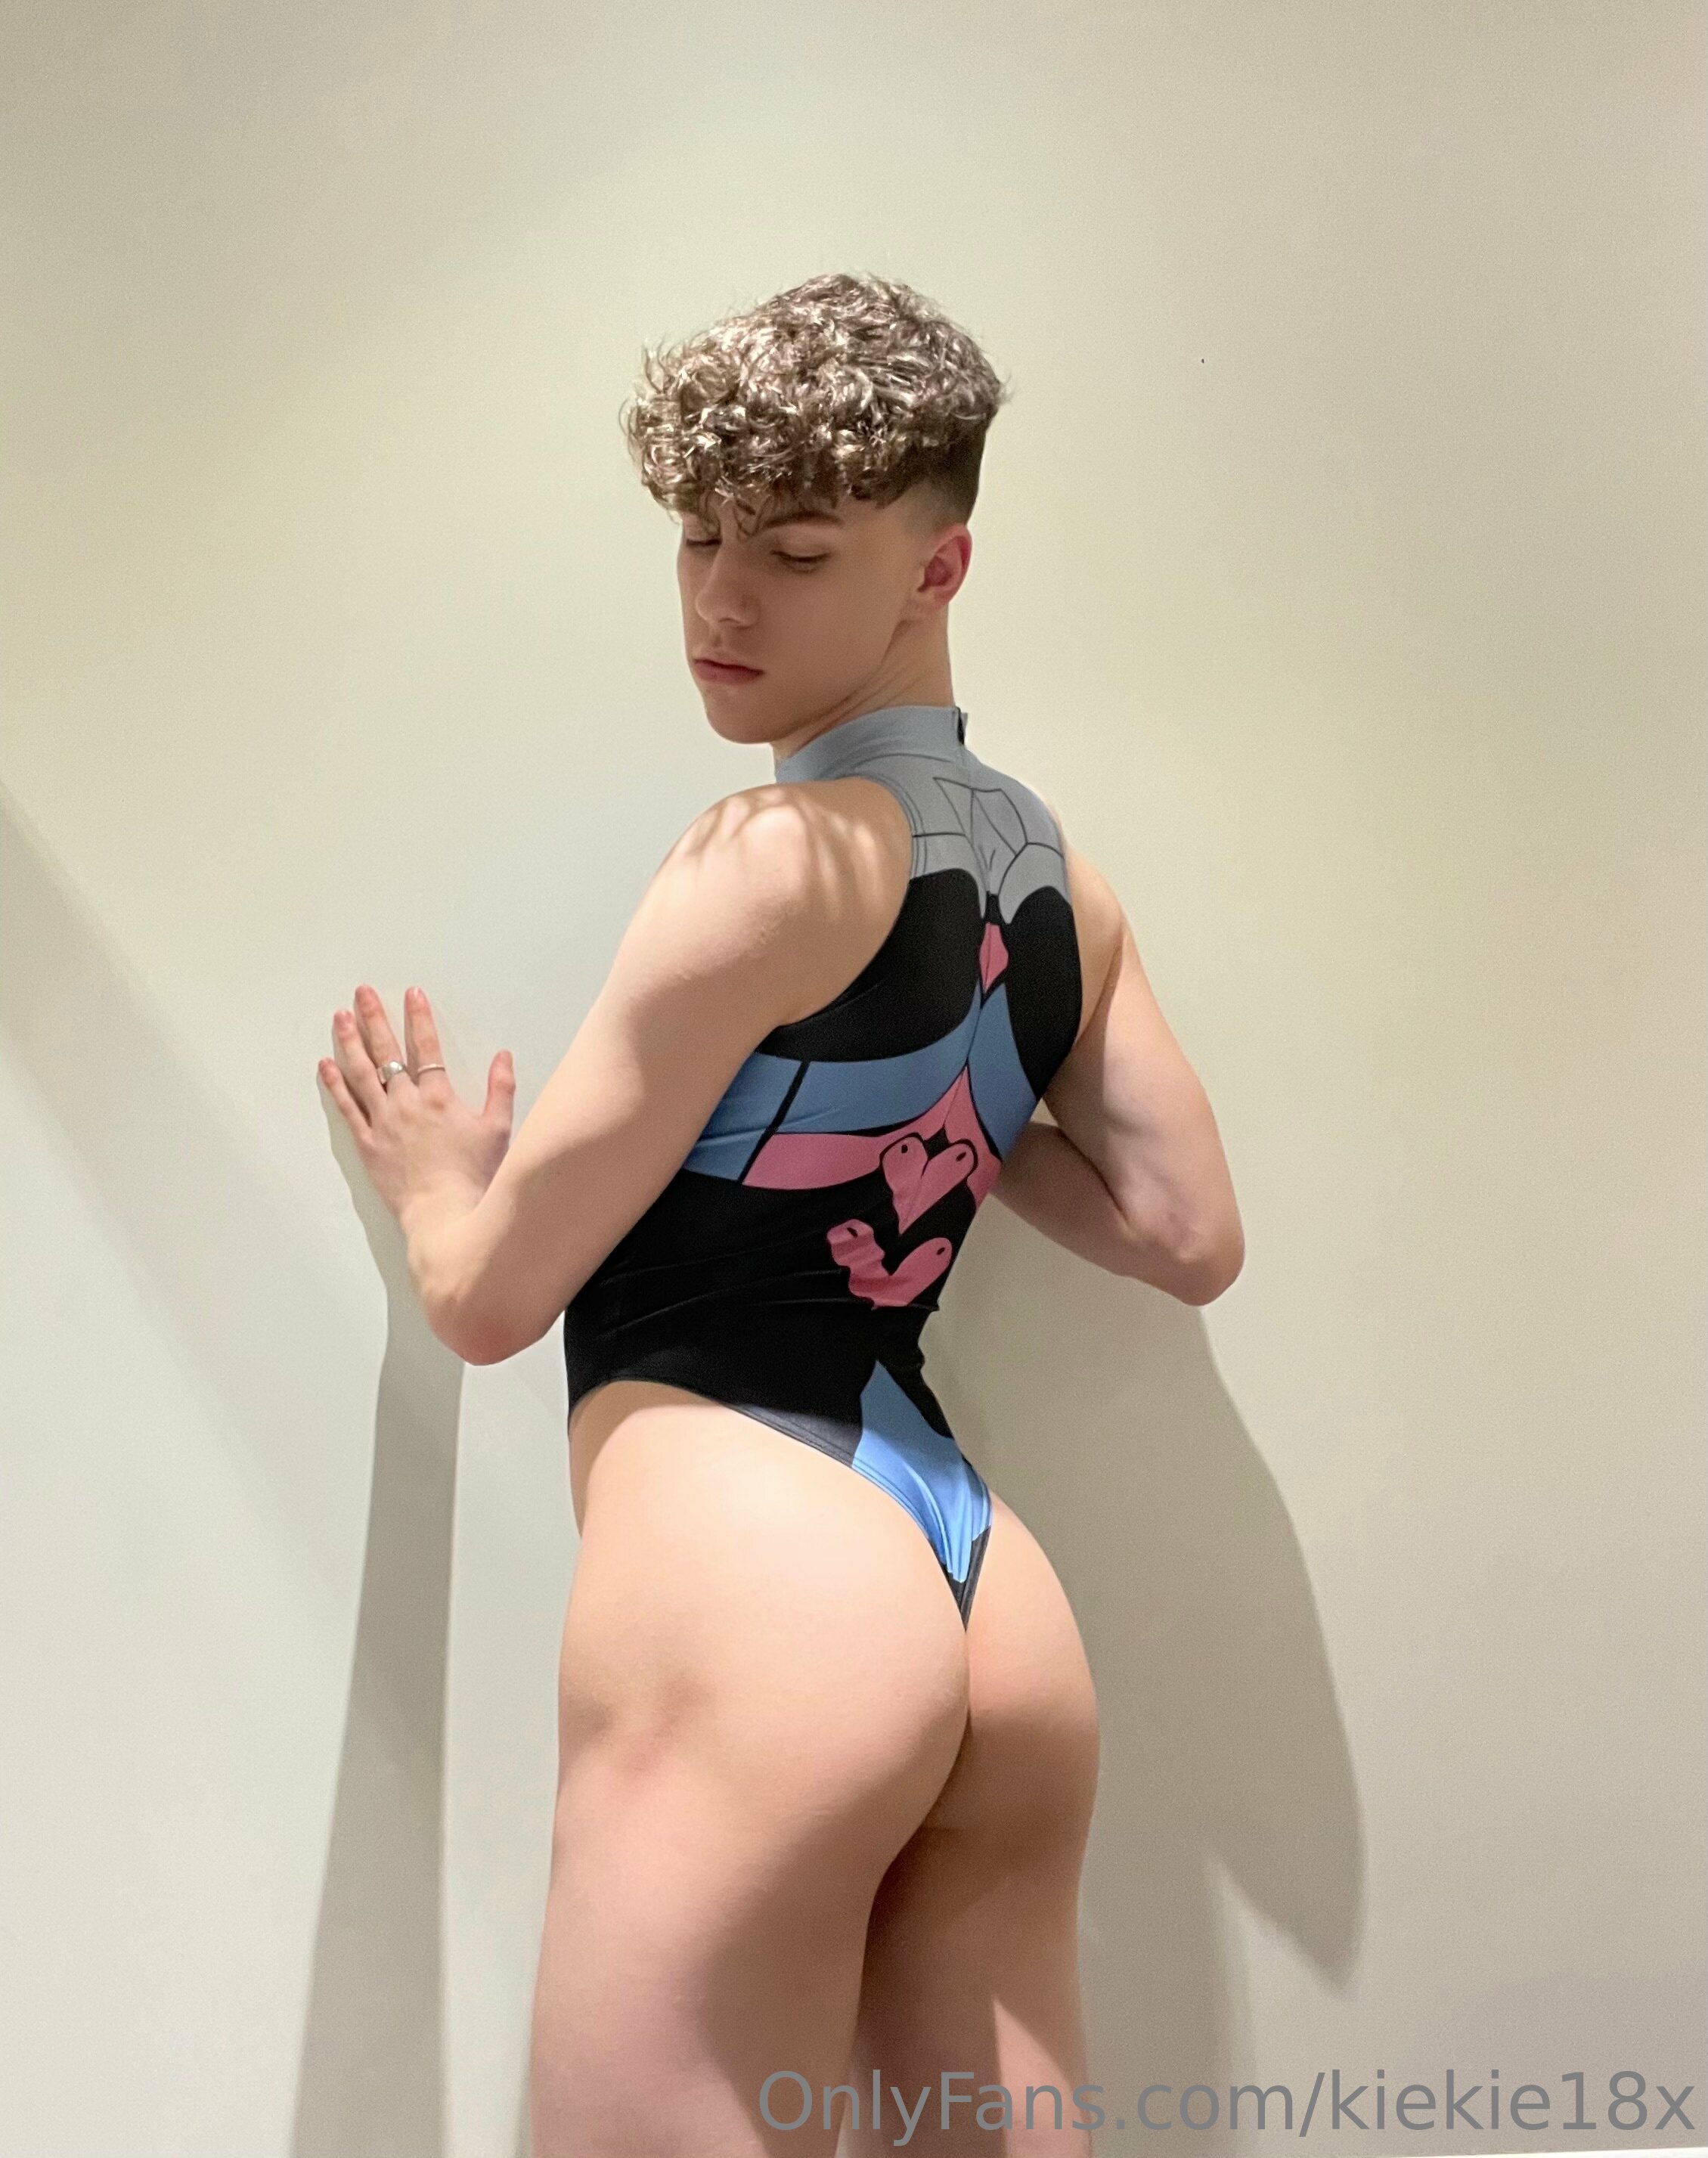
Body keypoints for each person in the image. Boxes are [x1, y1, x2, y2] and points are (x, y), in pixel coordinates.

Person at [320, 271, 1243, 2157]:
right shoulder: (1061, 883)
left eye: (797, 551)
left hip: (752, 1568)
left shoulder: (764, 860)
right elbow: (1183, 1229)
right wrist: (964, 1112)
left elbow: (491, 1298)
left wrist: (432, 1186)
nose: (721, 602)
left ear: (937, 565)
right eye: (698, 537)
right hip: (985, 1597)